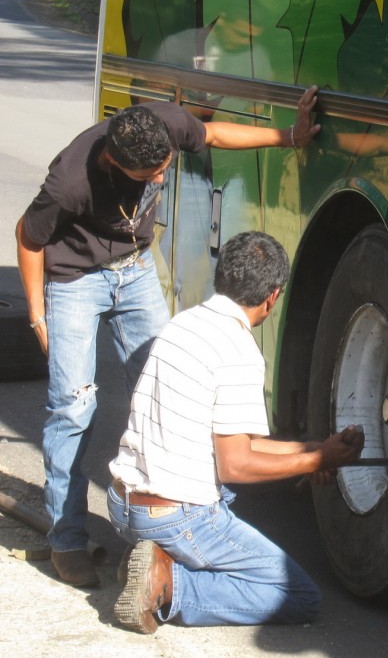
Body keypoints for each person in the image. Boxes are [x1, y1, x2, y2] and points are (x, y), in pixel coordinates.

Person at [14, 86, 322, 588]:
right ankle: (66, 538)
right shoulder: (71, 180)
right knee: (73, 406)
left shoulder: (161, 124)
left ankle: (198, 513)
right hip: (74, 280)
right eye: (150, 174)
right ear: (114, 161)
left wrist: (290, 135)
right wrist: (36, 313)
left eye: (164, 166)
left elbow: (216, 133)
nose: (161, 177)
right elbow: (28, 236)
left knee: (174, 381)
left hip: (134, 270)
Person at [106, 231, 365, 634]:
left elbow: (236, 439)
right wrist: (317, 460)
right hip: (174, 517)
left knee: (224, 500)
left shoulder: (183, 323)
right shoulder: (240, 351)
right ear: (272, 297)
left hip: (124, 505)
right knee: (298, 595)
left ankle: (154, 559)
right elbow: (236, 464)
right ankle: (168, 584)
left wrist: (314, 449)